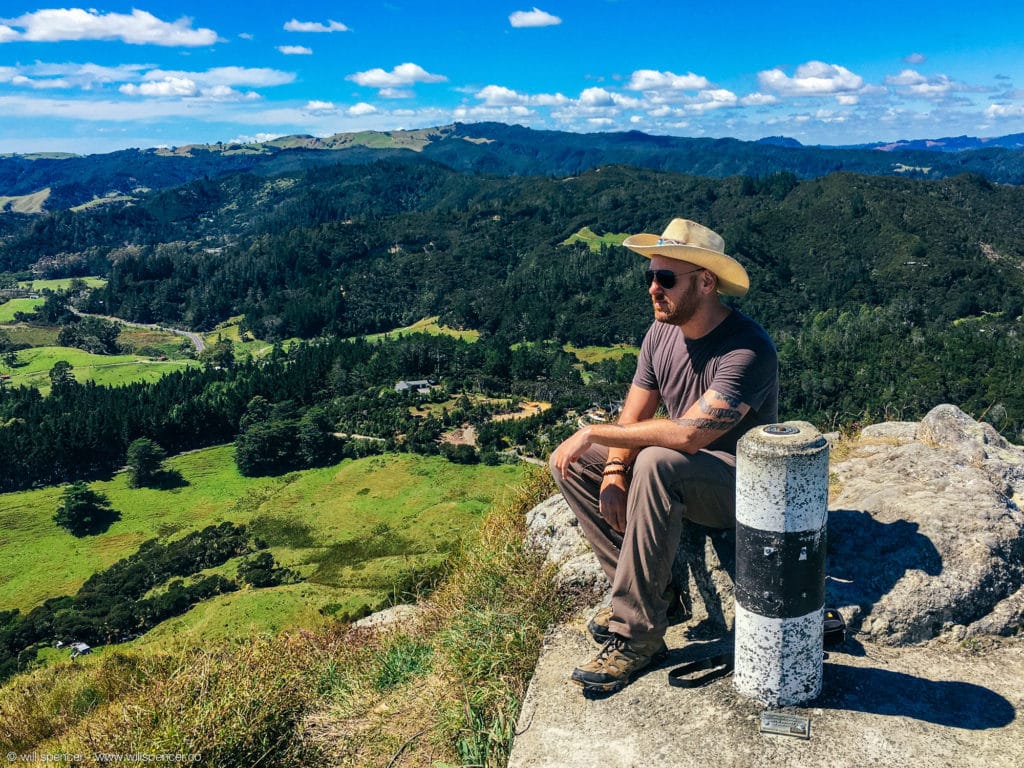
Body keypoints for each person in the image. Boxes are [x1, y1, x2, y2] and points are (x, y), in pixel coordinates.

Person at [550, 217, 778, 694]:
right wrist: (611, 471)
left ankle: (637, 637)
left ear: (706, 283)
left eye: (666, 279)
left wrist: (592, 430)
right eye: (650, 277)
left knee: (654, 459)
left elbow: (691, 435)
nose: (654, 288)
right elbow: (633, 417)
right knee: (569, 463)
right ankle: (659, 597)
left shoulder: (749, 349)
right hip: (682, 473)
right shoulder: (660, 334)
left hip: (742, 487)